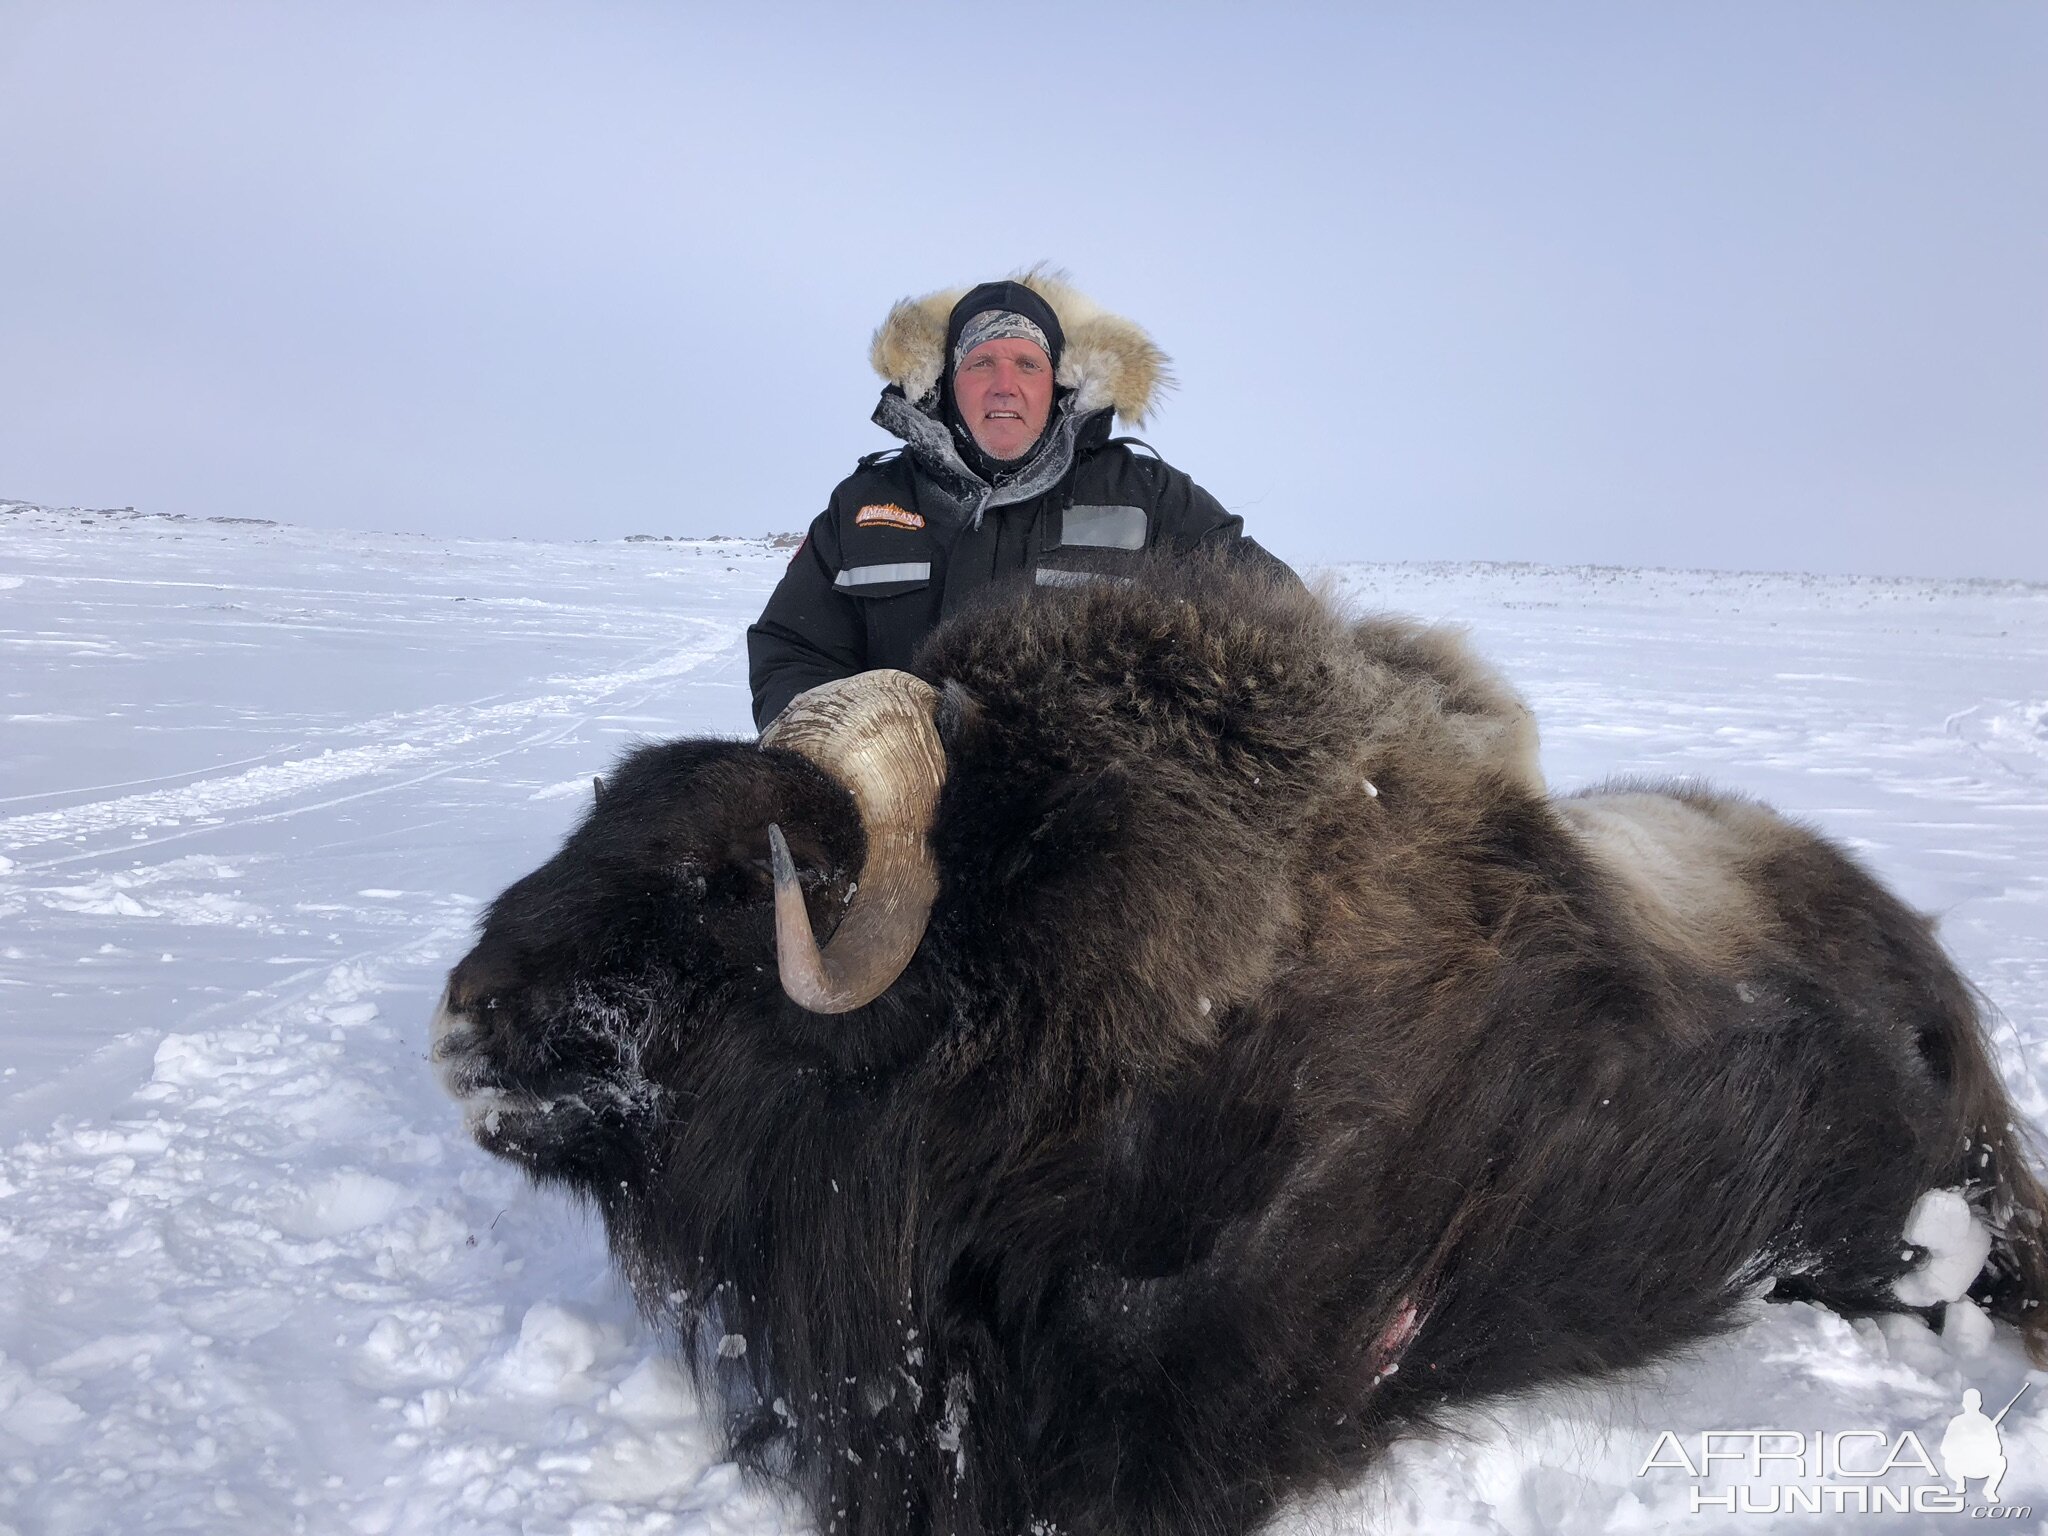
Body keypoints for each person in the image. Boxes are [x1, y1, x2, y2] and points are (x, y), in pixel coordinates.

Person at [747, 271, 1296, 730]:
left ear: (1055, 384)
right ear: (947, 383)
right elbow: (793, 650)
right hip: (898, 818)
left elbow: (1278, 622)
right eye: (981, 363)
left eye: (1028, 365)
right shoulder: (864, 505)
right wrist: (827, 753)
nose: (1004, 385)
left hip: (1093, 832)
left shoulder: (1150, 496)